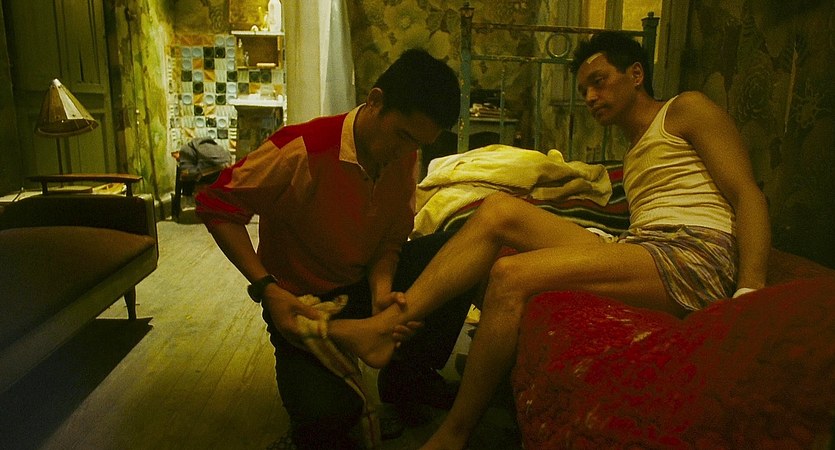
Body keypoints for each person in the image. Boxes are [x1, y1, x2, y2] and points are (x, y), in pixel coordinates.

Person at [327, 31, 771, 449]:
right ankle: (387, 327)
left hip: (693, 255)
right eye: (583, 90)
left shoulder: (686, 108)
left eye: (599, 82)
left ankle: (453, 433)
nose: (590, 97)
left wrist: (750, 290)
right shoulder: (634, 147)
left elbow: (747, 193)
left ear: (636, 74)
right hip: (644, 246)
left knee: (510, 274)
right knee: (497, 209)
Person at [195, 48, 469, 449]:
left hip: (361, 284)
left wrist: (381, 293)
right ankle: (344, 348)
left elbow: (391, 239)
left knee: (465, 248)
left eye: (418, 144)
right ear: (375, 101)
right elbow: (216, 205)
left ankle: (407, 377)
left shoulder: (405, 156)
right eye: (403, 136)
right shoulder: (303, 148)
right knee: (328, 421)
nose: (406, 152)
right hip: (304, 302)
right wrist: (268, 289)